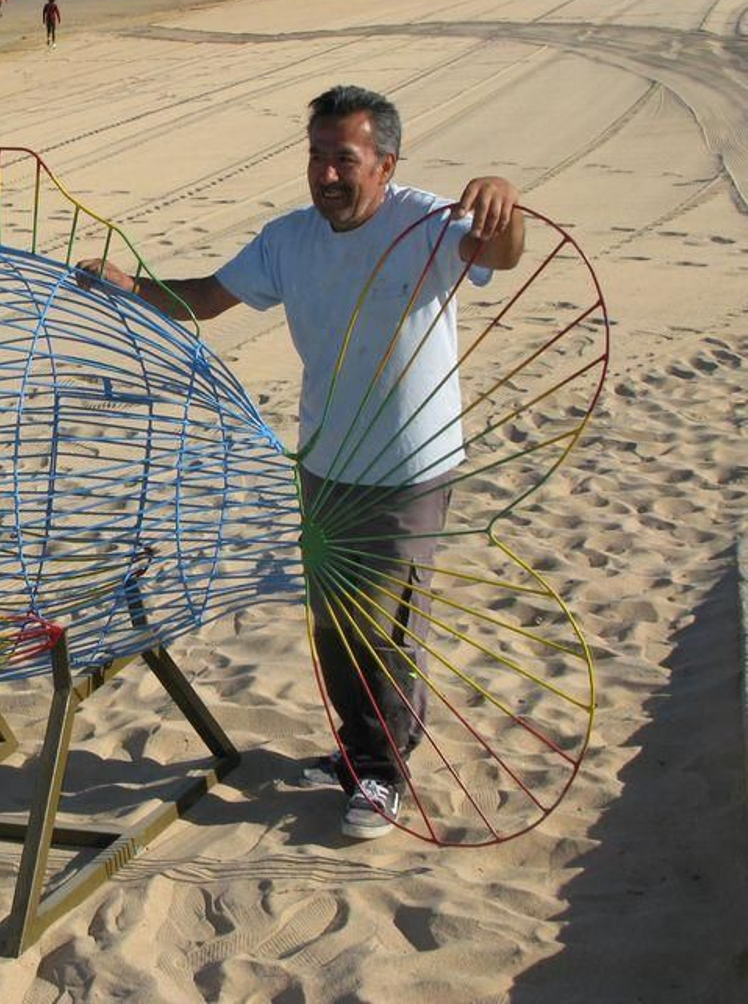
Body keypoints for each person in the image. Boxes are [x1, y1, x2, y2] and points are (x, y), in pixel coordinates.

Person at [79, 85, 524, 840]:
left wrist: (504, 201)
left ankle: (382, 773)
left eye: (342, 160)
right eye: (316, 157)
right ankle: (358, 752)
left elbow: (499, 254)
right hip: (326, 461)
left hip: (409, 466)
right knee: (332, 624)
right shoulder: (289, 240)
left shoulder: (426, 222)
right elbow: (207, 299)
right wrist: (131, 290)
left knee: (384, 625)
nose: (325, 175)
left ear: (385, 164)